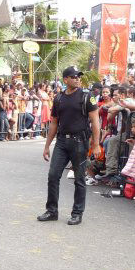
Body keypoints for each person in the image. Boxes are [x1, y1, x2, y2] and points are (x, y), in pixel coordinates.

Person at [37, 66, 100, 225]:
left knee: (79, 179)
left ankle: (77, 213)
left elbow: (95, 122)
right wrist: (46, 146)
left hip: (79, 142)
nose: (77, 79)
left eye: (79, 76)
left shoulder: (87, 96)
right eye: (73, 77)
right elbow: (54, 123)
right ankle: (52, 211)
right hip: (62, 142)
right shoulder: (58, 98)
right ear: (65, 80)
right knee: (53, 176)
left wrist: (96, 144)